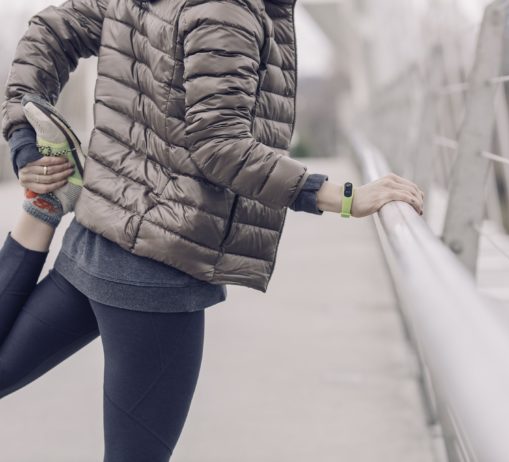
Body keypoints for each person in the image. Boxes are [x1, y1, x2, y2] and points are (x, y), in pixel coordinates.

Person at [0, 0, 425, 460]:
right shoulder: (227, 9)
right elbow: (219, 145)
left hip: (95, 242)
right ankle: (46, 208)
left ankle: (44, 212)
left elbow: (49, 29)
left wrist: (24, 138)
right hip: (156, 270)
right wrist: (342, 197)